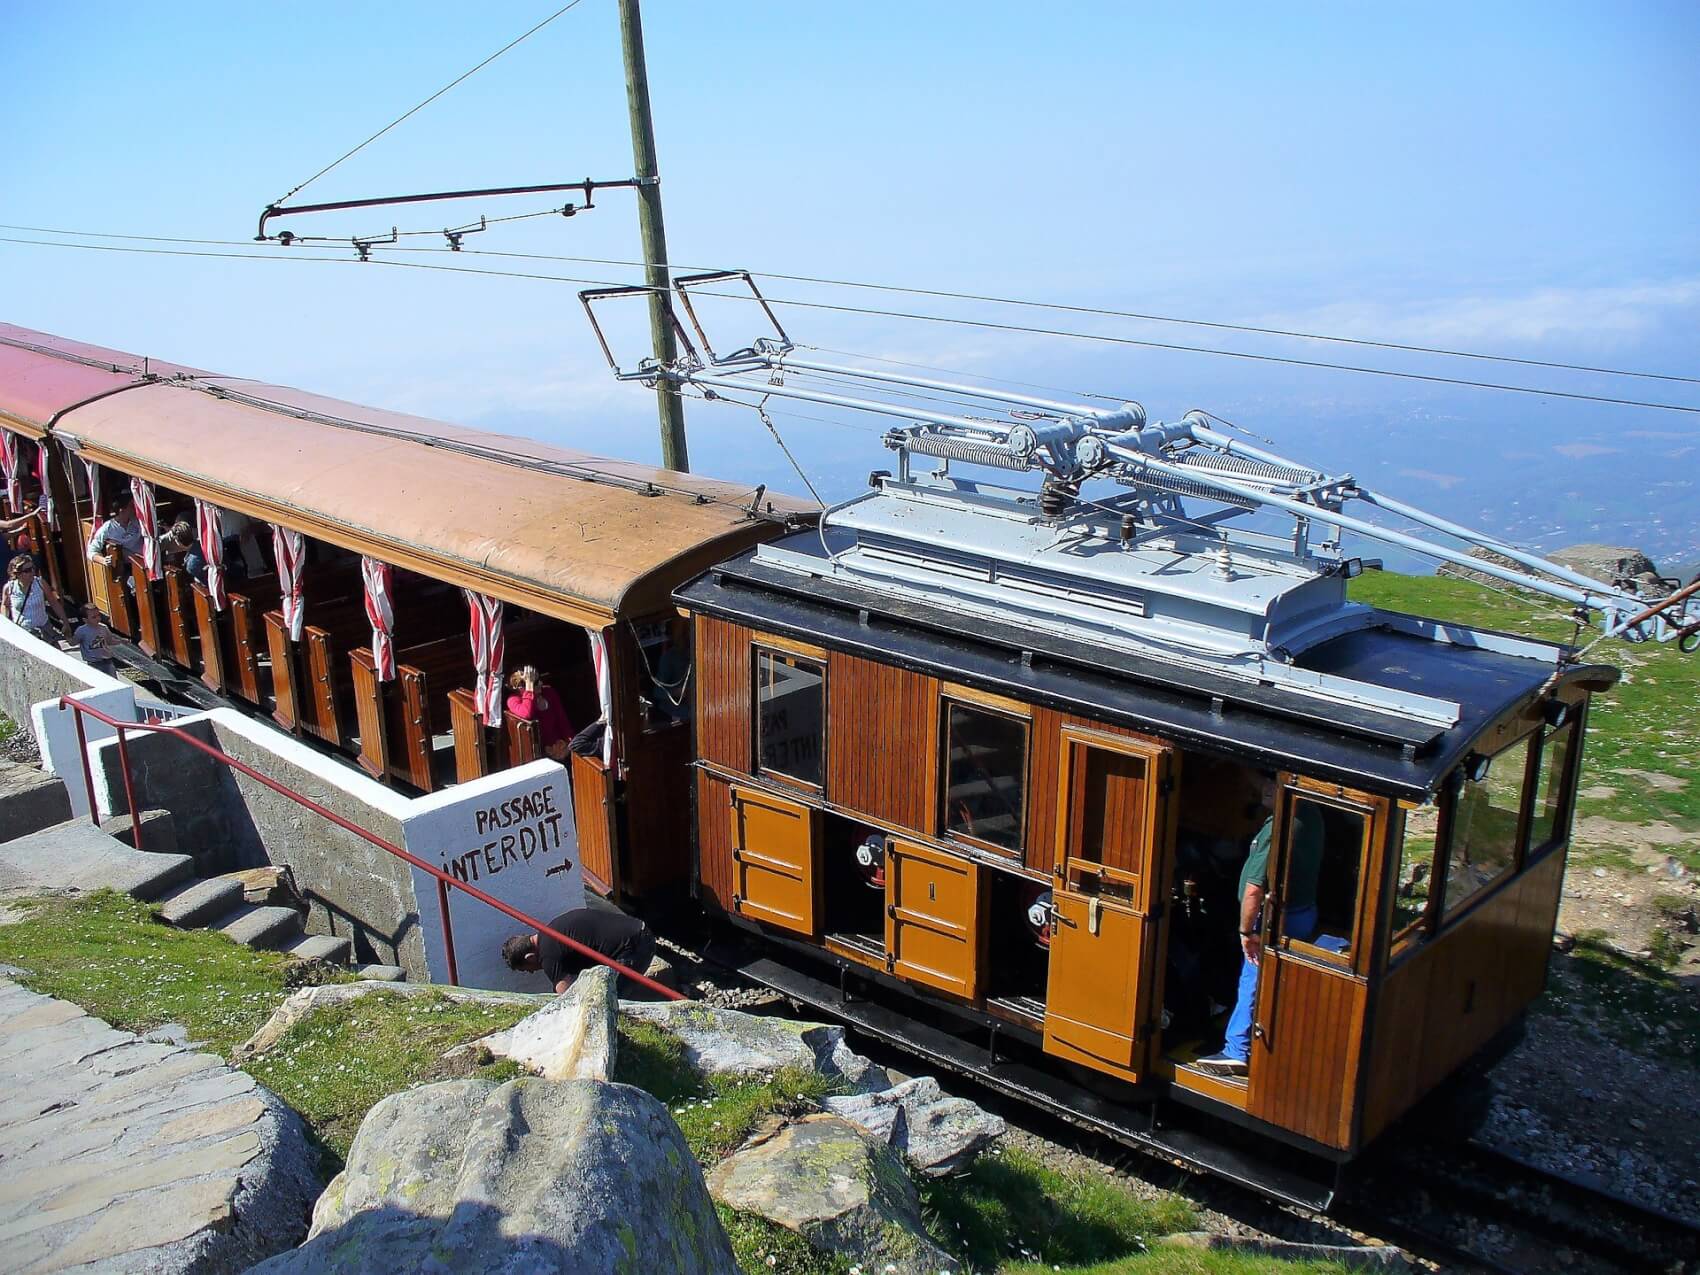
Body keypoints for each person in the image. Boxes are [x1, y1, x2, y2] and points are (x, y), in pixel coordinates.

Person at [1195, 774, 1323, 1078]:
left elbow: (1253, 888)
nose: (1263, 787)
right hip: (1305, 911)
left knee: (1252, 974)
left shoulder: (1277, 828)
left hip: (1279, 919)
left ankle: (1236, 1050)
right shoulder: (1311, 813)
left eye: (1272, 780)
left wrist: (1246, 932)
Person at [501, 908, 655, 994]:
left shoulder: (548, 955)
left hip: (635, 947)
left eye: (527, 970)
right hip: (639, 931)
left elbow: (568, 997)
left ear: (529, 957)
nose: (532, 972)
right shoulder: (551, 930)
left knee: (610, 998)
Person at [506, 665, 574, 762]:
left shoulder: (549, 692)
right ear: (521, 687)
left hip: (561, 747)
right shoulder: (513, 700)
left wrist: (569, 743)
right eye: (536, 682)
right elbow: (527, 713)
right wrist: (529, 689)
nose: (541, 683)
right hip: (540, 755)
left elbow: (563, 721)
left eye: (539, 679)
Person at [3, 554, 68, 642]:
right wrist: (6, 627)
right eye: (27, 570)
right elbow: (5, 606)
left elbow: (54, 603)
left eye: (33, 568)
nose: (32, 572)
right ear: (18, 573)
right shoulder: (9, 588)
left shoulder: (40, 583)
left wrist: (65, 622)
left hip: (44, 629)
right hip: (24, 632)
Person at [86, 492, 143, 562]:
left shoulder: (138, 521)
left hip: (148, 558)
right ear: (122, 510)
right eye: (131, 506)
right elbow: (91, 551)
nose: (135, 508)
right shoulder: (108, 527)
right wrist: (104, 560)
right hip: (133, 566)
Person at [73, 603, 118, 676]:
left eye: (98, 615)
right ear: (85, 620)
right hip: (93, 662)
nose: (98, 618)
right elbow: (74, 642)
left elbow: (109, 641)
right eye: (94, 617)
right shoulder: (81, 631)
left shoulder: (103, 627)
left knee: (113, 679)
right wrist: (68, 637)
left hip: (107, 660)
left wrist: (121, 641)